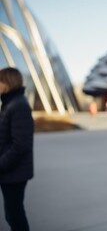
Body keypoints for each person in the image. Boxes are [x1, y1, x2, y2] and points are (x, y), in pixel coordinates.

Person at [0, 67, 33, 231]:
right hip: (10, 171)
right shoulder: (10, 103)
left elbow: (20, 145)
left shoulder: (18, 105)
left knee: (14, 214)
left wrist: (1, 164)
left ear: (8, 82)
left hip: (14, 172)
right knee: (12, 214)